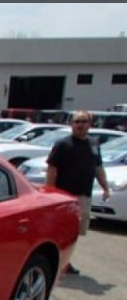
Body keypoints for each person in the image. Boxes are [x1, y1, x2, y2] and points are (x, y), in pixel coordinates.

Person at [46, 110, 110, 275]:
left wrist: (105, 187)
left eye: (83, 122)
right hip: (65, 196)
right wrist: (50, 193)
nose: (79, 125)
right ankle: (61, 261)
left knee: (76, 231)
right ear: (71, 124)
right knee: (64, 230)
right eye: (76, 122)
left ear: (90, 124)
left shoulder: (94, 144)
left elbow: (98, 168)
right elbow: (52, 169)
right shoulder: (63, 144)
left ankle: (65, 260)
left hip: (84, 195)